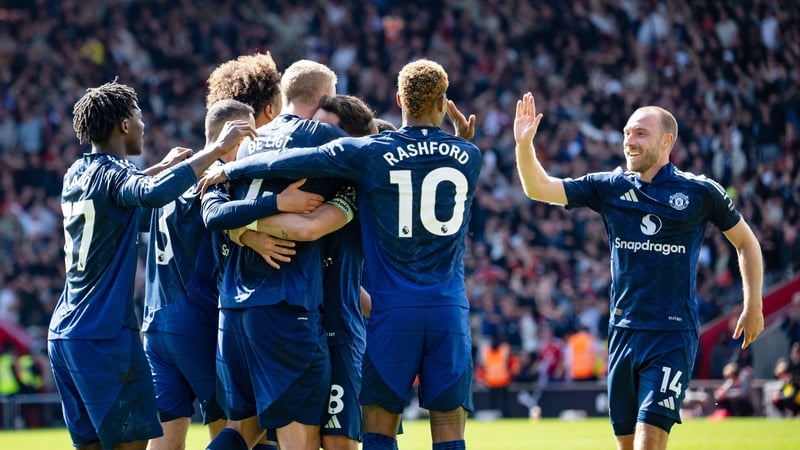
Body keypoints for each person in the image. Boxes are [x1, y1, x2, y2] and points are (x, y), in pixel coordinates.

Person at [198, 58, 480, 450]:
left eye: (329, 129)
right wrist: (459, 143)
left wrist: (241, 209)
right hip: (337, 314)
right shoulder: (465, 156)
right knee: (288, 435)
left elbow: (299, 202)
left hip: (344, 321)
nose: (319, 134)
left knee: (328, 436)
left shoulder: (363, 162)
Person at [513, 92, 764, 450]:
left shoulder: (699, 191)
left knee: (650, 442)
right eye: (627, 133)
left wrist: (753, 305)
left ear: (666, 141)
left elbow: (746, 243)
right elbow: (538, 188)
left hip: (671, 334)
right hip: (623, 333)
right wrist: (524, 146)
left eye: (641, 133)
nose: (630, 140)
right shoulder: (609, 187)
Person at [47, 80, 256, 450]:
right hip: (104, 333)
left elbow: (123, 200)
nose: (144, 125)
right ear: (125, 124)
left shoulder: (76, 173)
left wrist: (161, 166)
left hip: (64, 333)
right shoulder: (116, 173)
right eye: (139, 116)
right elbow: (150, 194)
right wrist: (215, 150)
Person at [142, 98, 320, 450]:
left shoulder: (174, 178)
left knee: (165, 443)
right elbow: (218, 219)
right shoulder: (212, 179)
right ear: (235, 136)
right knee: (242, 429)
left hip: (156, 324)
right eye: (253, 139)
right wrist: (253, 231)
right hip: (199, 323)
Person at [203, 59, 351, 450]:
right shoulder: (322, 137)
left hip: (234, 307)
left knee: (243, 430)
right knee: (298, 436)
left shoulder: (248, 141)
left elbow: (218, 213)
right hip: (286, 304)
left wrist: (247, 229)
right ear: (325, 99)